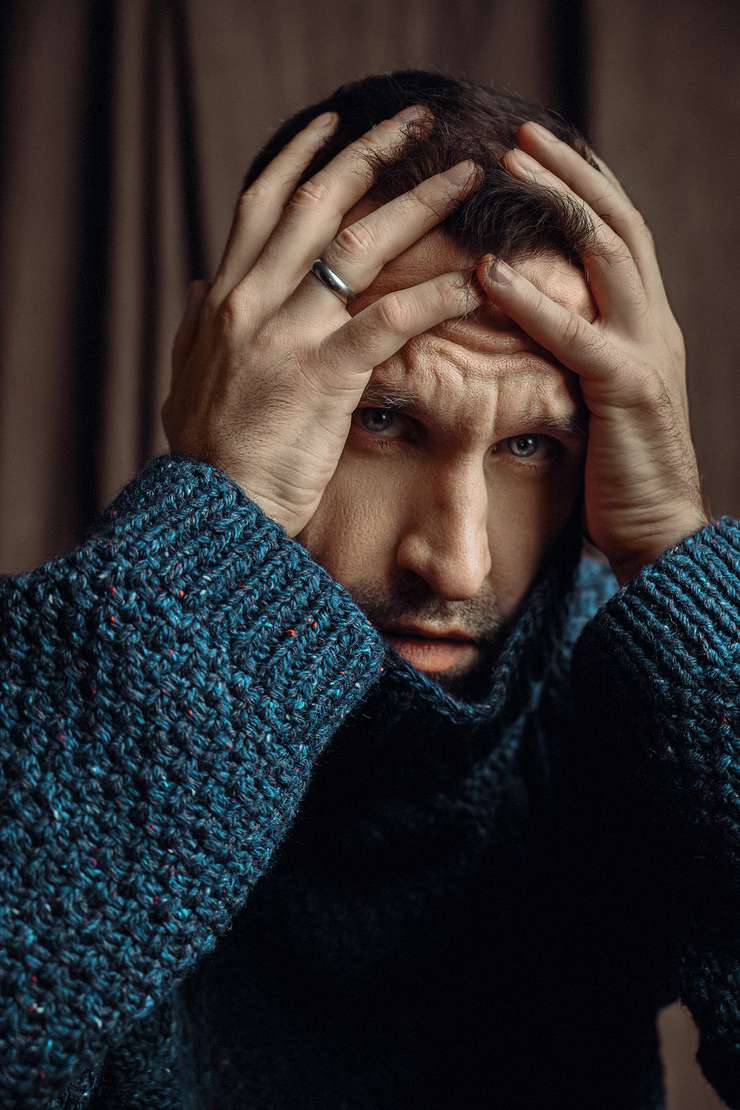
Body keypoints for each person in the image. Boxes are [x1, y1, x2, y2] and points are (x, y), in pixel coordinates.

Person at [0, 69, 737, 1109]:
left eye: (532, 445)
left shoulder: (636, 725)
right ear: (217, 370)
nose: (455, 563)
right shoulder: (48, 697)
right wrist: (226, 513)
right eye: (381, 421)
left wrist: (667, 539)